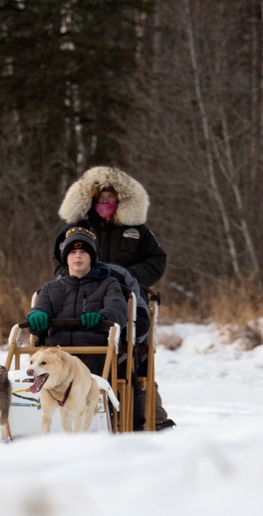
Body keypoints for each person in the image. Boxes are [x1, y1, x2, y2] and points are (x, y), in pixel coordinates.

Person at [52, 166, 175, 431]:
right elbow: (58, 259)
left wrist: (127, 276)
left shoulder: (136, 231)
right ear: (91, 200)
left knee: (135, 355)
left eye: (111, 199)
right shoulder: (77, 229)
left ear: (121, 201)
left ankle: (150, 413)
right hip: (80, 295)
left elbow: (157, 260)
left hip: (127, 296)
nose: (106, 203)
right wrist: (74, 273)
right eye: (101, 199)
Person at [27, 227, 128, 378]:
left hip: (94, 349)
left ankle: (96, 400)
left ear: (92, 258)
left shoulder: (108, 284)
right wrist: (36, 316)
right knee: (45, 367)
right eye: (72, 253)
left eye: (83, 252)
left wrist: (103, 317)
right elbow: (41, 308)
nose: (77, 257)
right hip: (57, 351)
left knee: (89, 372)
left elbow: (117, 309)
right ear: (65, 258)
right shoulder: (50, 288)